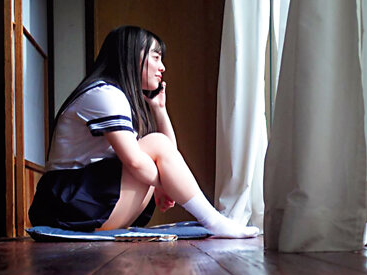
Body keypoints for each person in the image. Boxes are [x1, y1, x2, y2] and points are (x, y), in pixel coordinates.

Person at [29, 25, 258, 238]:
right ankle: (213, 220)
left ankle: (212, 220)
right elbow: (138, 161)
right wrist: (168, 184)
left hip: (77, 202)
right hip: (64, 202)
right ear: (131, 57)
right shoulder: (104, 94)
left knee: (156, 149)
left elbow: (170, 155)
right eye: (156, 57)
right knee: (152, 147)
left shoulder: (115, 96)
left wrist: (159, 109)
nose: (162, 67)